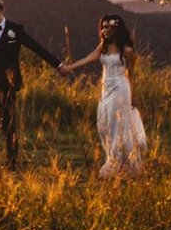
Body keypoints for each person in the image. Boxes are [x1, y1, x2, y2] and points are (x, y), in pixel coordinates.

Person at [0, 0, 58, 168]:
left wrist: (58, 65)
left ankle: (11, 161)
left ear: (0, 12)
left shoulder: (15, 30)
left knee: (9, 122)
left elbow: (36, 47)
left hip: (8, 84)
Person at [62, 14, 149, 176]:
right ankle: (116, 159)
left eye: (107, 27)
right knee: (104, 125)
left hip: (121, 89)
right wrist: (70, 67)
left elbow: (132, 75)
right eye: (103, 27)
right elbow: (89, 57)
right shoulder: (102, 47)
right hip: (106, 90)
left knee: (117, 125)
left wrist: (133, 96)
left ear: (116, 29)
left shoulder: (128, 51)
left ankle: (115, 163)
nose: (104, 30)